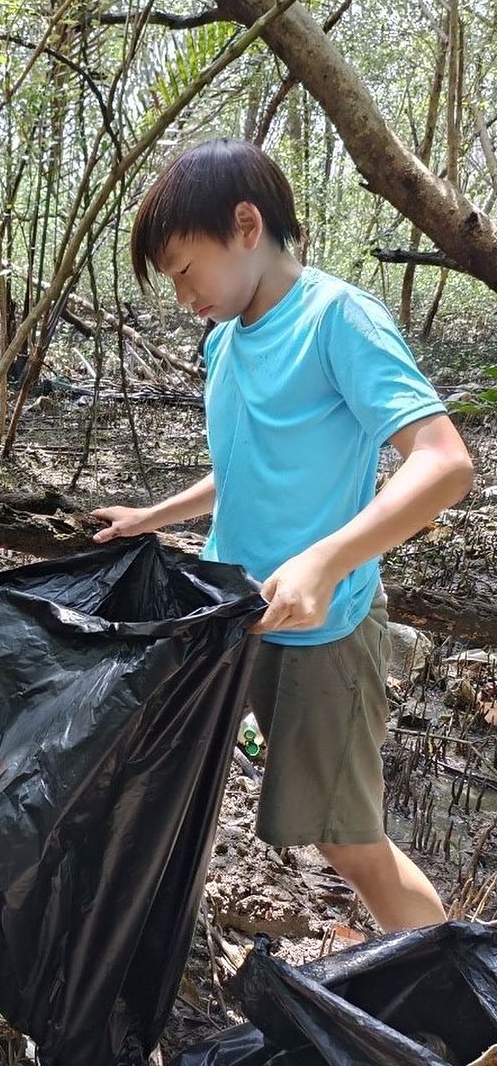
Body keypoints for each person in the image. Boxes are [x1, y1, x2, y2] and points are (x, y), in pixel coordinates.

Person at [91, 137, 474, 933]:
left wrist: (328, 561)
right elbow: (246, 463)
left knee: (348, 840)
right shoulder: (226, 338)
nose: (182, 293)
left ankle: (467, 1004)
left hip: (322, 634)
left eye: (184, 268)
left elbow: (443, 462)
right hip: (234, 615)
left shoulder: (338, 319)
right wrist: (151, 518)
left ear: (243, 224)